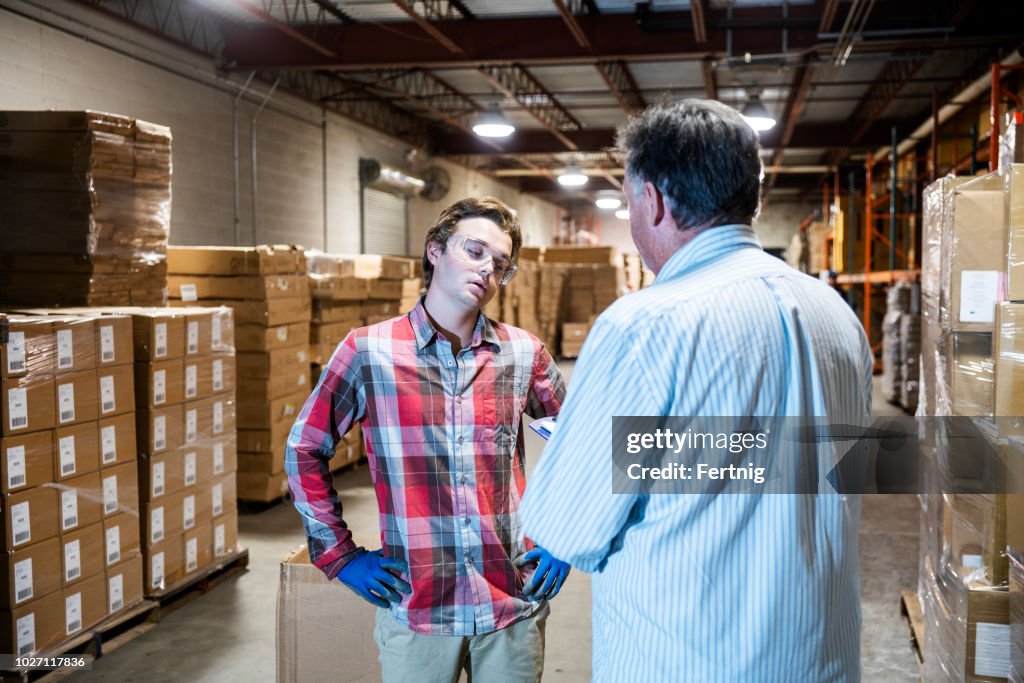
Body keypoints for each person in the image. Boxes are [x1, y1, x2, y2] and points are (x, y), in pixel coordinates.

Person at [519, 99, 873, 682]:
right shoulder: (835, 314)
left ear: (653, 201)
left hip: (688, 657)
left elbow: (567, 525)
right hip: (819, 655)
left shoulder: (642, 326)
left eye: (631, 201)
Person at [285, 196, 570, 683]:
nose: (487, 270)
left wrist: (569, 539)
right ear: (435, 250)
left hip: (511, 604)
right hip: (418, 606)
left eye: (499, 264)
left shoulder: (523, 354)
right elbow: (305, 448)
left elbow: (578, 446)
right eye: (474, 251)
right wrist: (339, 555)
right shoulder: (368, 351)